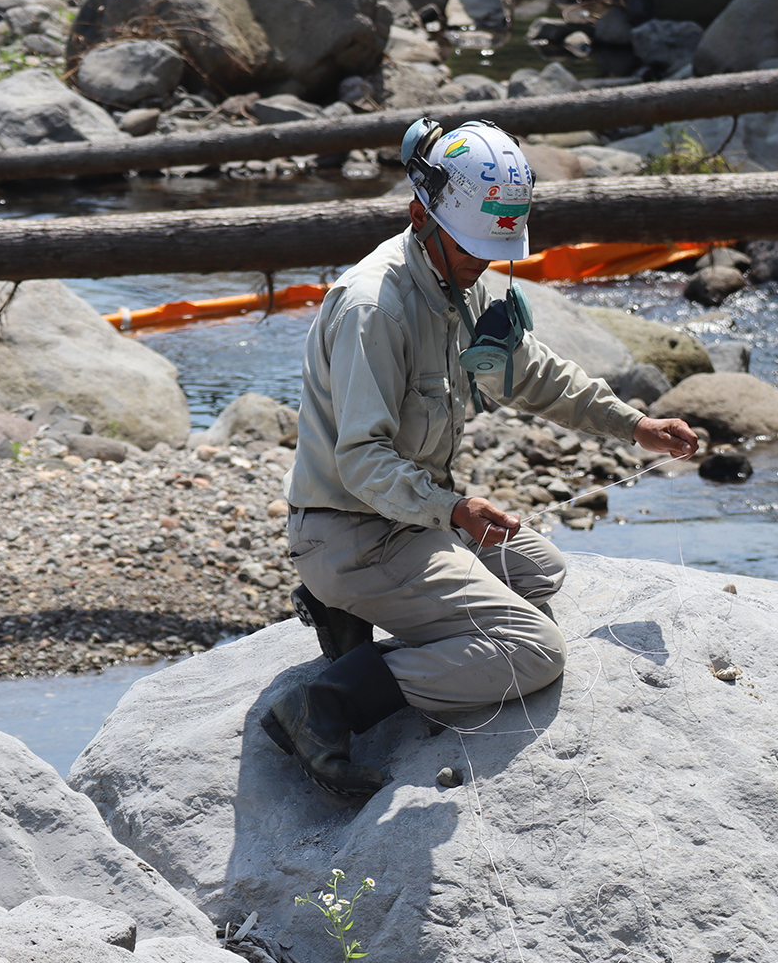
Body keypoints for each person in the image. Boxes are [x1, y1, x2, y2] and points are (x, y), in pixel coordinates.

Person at [268, 118, 699, 797]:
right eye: (473, 248)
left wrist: (635, 424)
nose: (485, 263)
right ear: (420, 214)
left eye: (494, 250)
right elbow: (362, 462)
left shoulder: (459, 282)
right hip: (350, 532)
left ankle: (346, 617)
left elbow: (532, 373)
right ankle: (323, 706)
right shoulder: (373, 307)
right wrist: (455, 509)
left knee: (541, 573)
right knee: (533, 651)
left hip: (410, 525)